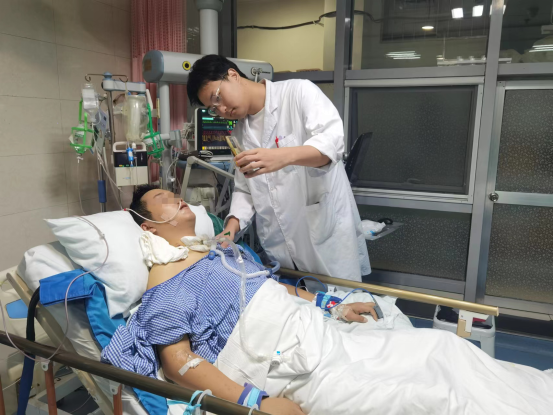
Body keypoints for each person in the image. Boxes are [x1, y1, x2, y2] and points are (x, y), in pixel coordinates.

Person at [102, 186, 553, 415]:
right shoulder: (164, 289)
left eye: (176, 193)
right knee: (426, 399)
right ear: (147, 226)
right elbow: (178, 362)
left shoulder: (220, 251)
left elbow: (268, 285)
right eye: (163, 198)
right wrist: (256, 402)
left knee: (445, 348)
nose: (178, 197)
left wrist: (331, 307)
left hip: (318, 334)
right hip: (288, 365)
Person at [186, 55, 371, 283]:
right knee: (297, 301)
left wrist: (281, 156)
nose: (222, 109)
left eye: (218, 97)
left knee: (342, 299)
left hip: (323, 236)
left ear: (232, 75)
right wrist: (231, 227)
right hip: (280, 247)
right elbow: (245, 187)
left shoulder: (298, 93)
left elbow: (331, 145)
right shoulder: (239, 134)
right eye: (214, 108)